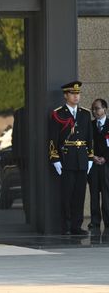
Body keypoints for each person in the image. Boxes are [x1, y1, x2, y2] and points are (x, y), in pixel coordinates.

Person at [49, 81, 94, 235]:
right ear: (66, 95)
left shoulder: (85, 113)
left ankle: (76, 226)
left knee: (79, 195)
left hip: (82, 159)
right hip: (66, 159)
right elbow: (52, 139)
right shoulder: (58, 113)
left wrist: (90, 157)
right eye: (73, 94)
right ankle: (66, 226)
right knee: (66, 195)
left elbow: (90, 137)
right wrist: (55, 159)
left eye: (78, 94)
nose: (76, 96)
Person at [88, 98, 109, 230]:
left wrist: (105, 158)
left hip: (107, 165)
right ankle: (95, 221)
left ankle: (108, 221)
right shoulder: (90, 125)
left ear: (104, 109)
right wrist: (92, 157)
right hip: (94, 164)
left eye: (97, 108)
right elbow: (86, 143)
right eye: (93, 109)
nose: (94, 111)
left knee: (107, 195)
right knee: (94, 194)